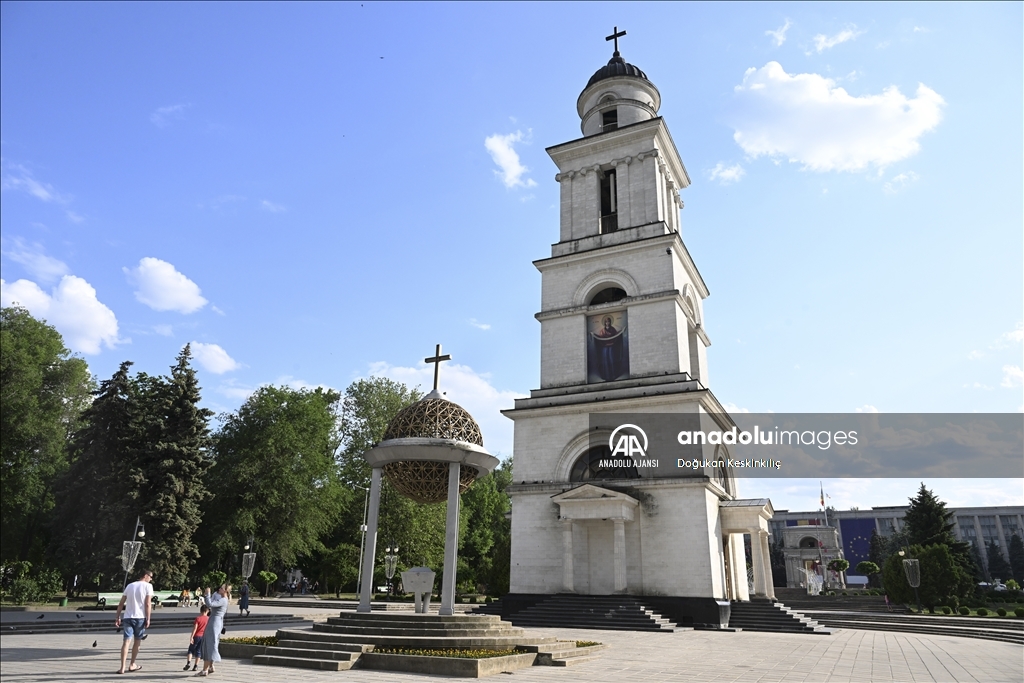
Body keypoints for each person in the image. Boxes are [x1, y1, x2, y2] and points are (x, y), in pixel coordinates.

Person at [114, 569, 153, 674]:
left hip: (127, 617)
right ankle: (132, 664)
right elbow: (148, 604)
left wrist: (117, 617)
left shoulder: (130, 586)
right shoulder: (148, 586)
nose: (151, 579)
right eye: (150, 576)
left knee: (126, 642)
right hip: (140, 618)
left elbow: (121, 603)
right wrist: (148, 618)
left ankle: (122, 667)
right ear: (145, 576)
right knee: (137, 642)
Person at [197, 584, 230, 677]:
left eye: (222, 588)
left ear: (225, 591)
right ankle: (211, 666)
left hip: (214, 623)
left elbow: (210, 604)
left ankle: (205, 670)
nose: (219, 589)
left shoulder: (223, 600)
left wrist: (207, 594)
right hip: (216, 621)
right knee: (212, 643)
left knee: (210, 643)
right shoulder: (223, 599)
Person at [183, 604, 209, 671]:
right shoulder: (208, 619)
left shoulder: (198, 618)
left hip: (196, 636)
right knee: (198, 651)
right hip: (203, 637)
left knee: (190, 650)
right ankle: (196, 666)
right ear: (207, 611)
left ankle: (188, 663)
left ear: (201, 611)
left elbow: (195, 629)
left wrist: (191, 637)